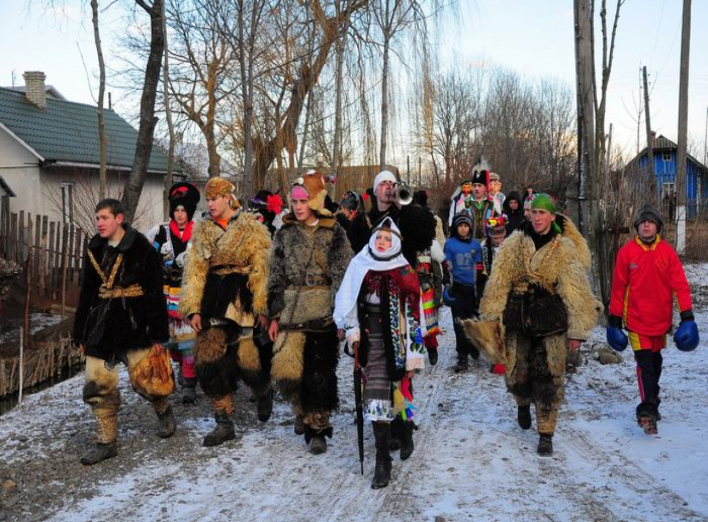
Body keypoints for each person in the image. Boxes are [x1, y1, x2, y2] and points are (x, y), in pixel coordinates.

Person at [478, 194, 601, 456]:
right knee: (515, 374)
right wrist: (491, 316)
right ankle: (522, 401)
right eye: (533, 212)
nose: (537, 217)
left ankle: (546, 433)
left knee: (549, 377)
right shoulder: (514, 244)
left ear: (552, 217)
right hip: (518, 317)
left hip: (550, 320)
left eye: (542, 213)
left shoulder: (563, 248)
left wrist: (578, 331)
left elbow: (575, 289)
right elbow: (499, 281)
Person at [73, 199, 173, 465]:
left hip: (135, 322)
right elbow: (86, 293)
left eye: (105, 217)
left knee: (147, 380)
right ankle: (107, 441)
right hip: (103, 324)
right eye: (97, 218)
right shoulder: (95, 249)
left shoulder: (141, 248)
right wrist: (80, 332)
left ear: (119, 218)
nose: (100, 223)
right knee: (97, 382)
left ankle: (163, 408)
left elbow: (154, 294)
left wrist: (159, 335)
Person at [179, 177, 273, 447]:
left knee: (248, 360)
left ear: (228, 199)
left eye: (214, 198)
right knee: (208, 360)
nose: (209, 203)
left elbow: (261, 268)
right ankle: (224, 421)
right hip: (213, 299)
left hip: (242, 297)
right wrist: (193, 308)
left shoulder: (251, 227)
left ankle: (262, 389)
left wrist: (262, 306)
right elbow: (195, 272)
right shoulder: (203, 230)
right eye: (207, 199)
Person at [334, 218, 425, 489]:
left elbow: (413, 315)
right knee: (375, 396)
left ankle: (405, 429)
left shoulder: (404, 271)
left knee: (399, 390)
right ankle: (382, 458)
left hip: (396, 338)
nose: (382, 243)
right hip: (371, 339)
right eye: (379, 238)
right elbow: (349, 300)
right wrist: (351, 330)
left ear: (395, 242)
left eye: (388, 238)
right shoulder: (360, 264)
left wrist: (413, 354)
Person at [267, 171, 353, 454]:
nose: (298, 206)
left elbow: (343, 274)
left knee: (319, 373)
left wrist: (342, 316)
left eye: (303, 200)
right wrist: (274, 315)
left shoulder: (335, 231)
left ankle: (318, 427)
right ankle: (300, 408)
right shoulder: (284, 233)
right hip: (291, 311)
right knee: (287, 370)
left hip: (323, 311)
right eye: (294, 201)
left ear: (315, 200)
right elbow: (276, 275)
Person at [607, 205, 698, 435]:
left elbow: (680, 285)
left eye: (650, 221)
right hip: (636, 321)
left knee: (656, 364)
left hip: (660, 322)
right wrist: (614, 320)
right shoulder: (627, 253)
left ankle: (653, 400)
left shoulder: (667, 253)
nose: (646, 225)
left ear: (657, 226)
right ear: (637, 227)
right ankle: (646, 410)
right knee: (644, 365)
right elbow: (619, 288)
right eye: (642, 222)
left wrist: (687, 315)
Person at [146, 182, 201, 404]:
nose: (179, 215)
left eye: (183, 211)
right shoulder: (160, 233)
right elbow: (149, 260)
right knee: (169, 343)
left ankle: (189, 384)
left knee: (189, 343)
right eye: (176, 210)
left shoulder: (198, 233)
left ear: (189, 212)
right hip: (165, 296)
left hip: (188, 294)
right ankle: (173, 373)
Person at [348, 170, 436, 268]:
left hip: (401, 277)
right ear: (375, 191)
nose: (389, 186)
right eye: (383, 183)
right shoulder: (362, 221)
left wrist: (400, 202)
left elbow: (425, 235)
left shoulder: (403, 216)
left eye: (392, 183)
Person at [444, 212, 483, 373]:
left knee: (472, 321)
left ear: (470, 228)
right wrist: (447, 286)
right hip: (457, 288)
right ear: (455, 227)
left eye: (466, 226)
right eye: (460, 226)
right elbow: (446, 265)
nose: (463, 229)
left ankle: (474, 345)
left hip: (471, 290)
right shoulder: (450, 244)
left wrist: (480, 289)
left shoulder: (475, 245)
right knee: (459, 324)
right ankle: (462, 357)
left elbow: (480, 268)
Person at [412, 190, 445, 366]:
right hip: (412, 289)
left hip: (428, 290)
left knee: (430, 323)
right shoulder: (407, 245)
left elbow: (438, 274)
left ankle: (432, 348)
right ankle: (416, 354)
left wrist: (438, 295)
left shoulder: (431, 245)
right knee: (414, 323)